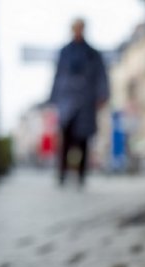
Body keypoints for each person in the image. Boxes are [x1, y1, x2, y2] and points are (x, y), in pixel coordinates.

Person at [50, 18, 109, 186]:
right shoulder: (64, 52)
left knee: (83, 139)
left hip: (86, 100)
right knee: (66, 138)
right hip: (67, 100)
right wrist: (54, 100)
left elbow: (101, 76)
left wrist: (102, 95)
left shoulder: (93, 53)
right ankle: (62, 173)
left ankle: (81, 176)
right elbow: (57, 76)